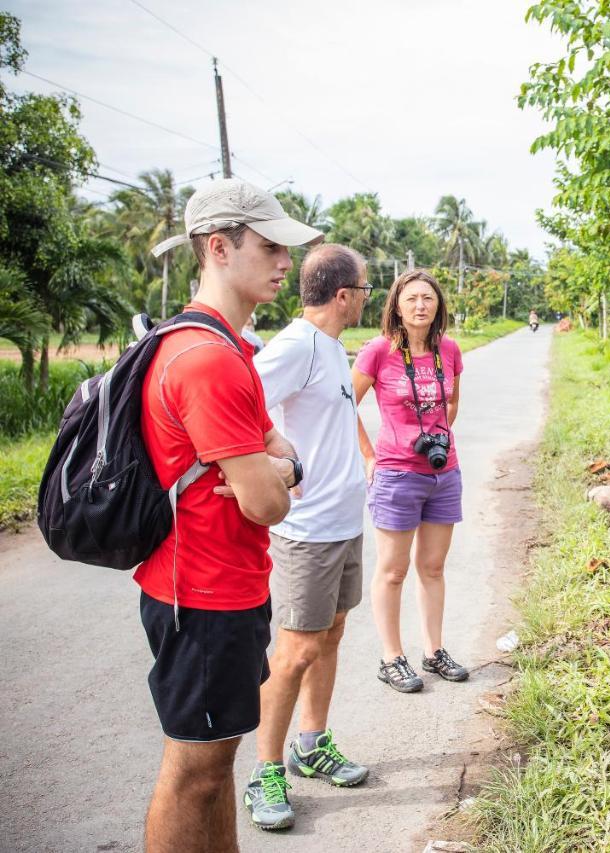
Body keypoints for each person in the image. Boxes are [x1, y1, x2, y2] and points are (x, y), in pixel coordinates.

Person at [140, 178, 322, 853]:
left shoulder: (235, 346)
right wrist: (272, 474)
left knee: (216, 771)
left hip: (228, 586)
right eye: (270, 245)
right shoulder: (209, 359)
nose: (285, 261)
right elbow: (269, 499)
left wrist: (276, 468)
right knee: (194, 773)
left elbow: (283, 458)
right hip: (202, 595)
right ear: (219, 247)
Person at [239, 244, 372, 830]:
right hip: (309, 530)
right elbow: (241, 407)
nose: (369, 297)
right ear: (343, 295)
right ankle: (264, 772)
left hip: (343, 523)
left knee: (330, 635)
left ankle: (311, 744)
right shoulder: (295, 345)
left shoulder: (329, 347)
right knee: (294, 652)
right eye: (366, 287)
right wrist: (275, 473)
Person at [353, 269, 469, 692]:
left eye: (428, 298)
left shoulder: (450, 350)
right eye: (412, 298)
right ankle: (392, 657)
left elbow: (452, 399)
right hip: (397, 475)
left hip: (444, 473)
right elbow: (343, 405)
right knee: (393, 571)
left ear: (438, 306)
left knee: (433, 568)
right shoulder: (378, 352)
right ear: (397, 307)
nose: (421, 305)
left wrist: (438, 435)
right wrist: (369, 455)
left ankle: (434, 651)